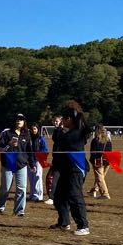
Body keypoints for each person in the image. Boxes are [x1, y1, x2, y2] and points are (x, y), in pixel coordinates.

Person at [51, 101, 92, 235]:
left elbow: (61, 139)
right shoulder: (67, 132)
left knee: (74, 195)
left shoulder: (78, 132)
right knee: (59, 196)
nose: (62, 121)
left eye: (64, 119)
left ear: (70, 119)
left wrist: (78, 114)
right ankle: (64, 222)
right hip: (65, 169)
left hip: (76, 169)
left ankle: (83, 226)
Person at [0, 113, 33, 216]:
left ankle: (19, 211)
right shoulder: (6, 132)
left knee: (22, 188)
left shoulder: (27, 134)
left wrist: (32, 164)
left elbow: (30, 151)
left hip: (22, 165)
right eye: (17, 119)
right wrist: (8, 144)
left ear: (24, 121)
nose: (19, 121)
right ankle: (0, 206)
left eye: (21, 119)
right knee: (5, 188)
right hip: (8, 164)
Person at [88, 124, 112, 199]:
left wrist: (92, 161)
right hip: (107, 161)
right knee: (100, 177)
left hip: (98, 162)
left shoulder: (95, 140)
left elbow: (93, 153)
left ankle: (105, 194)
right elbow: (110, 151)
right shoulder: (108, 140)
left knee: (100, 178)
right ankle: (93, 191)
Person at [28, 122, 46, 202]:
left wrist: (40, 157)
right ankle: (32, 194)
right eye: (32, 129)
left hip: (38, 160)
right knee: (31, 178)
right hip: (29, 160)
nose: (33, 130)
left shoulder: (41, 138)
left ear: (37, 129)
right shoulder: (28, 139)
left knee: (37, 177)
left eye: (35, 129)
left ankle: (38, 195)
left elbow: (45, 149)